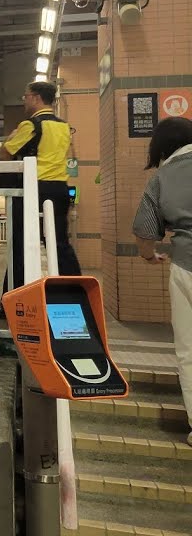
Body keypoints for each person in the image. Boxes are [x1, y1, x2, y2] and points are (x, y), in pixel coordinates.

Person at [131, 116, 192, 446]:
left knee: (189, 351)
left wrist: (148, 255)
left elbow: (144, 229)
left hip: (186, 266)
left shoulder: (163, 176)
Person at [0, 81, 82, 300]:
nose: (24, 100)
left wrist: (12, 135)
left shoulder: (31, 125)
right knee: (59, 242)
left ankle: (15, 298)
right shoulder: (64, 126)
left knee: (21, 243)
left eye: (25, 96)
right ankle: (76, 293)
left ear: (36, 97)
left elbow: (6, 153)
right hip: (59, 189)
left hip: (34, 189)